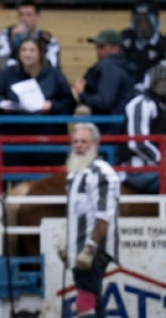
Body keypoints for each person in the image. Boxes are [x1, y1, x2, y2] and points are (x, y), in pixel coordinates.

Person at [65, 122, 119, 318]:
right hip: (81, 247)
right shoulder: (75, 173)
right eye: (76, 141)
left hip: (95, 249)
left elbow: (104, 213)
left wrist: (90, 248)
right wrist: (69, 245)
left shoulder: (102, 173)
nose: (79, 145)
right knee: (92, 303)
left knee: (84, 305)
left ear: (95, 144)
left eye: (84, 142)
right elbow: (76, 213)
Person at [0, 36, 75, 165]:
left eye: (32, 50)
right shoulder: (8, 73)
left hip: (48, 143)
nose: (27, 54)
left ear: (40, 53)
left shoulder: (54, 75)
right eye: (24, 50)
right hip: (15, 142)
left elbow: (69, 103)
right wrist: (4, 105)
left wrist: (52, 106)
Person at [73, 29, 136, 134]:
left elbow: (104, 101)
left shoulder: (109, 67)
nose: (97, 51)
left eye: (102, 47)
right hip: (122, 127)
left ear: (115, 48)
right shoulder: (123, 66)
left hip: (110, 129)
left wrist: (81, 94)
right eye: (97, 47)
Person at [121, 60, 166, 194]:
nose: (163, 85)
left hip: (155, 169)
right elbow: (138, 143)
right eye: (161, 81)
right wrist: (162, 161)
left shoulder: (161, 107)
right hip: (137, 170)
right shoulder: (141, 104)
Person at [0, 0, 61, 68]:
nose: (24, 18)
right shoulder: (5, 34)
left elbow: (53, 66)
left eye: (29, 15)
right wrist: (14, 42)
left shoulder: (48, 40)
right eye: (21, 15)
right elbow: (1, 64)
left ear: (37, 16)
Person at [121, 0, 166, 86]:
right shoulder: (126, 40)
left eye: (147, 21)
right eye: (139, 21)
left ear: (157, 21)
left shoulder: (163, 45)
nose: (143, 25)